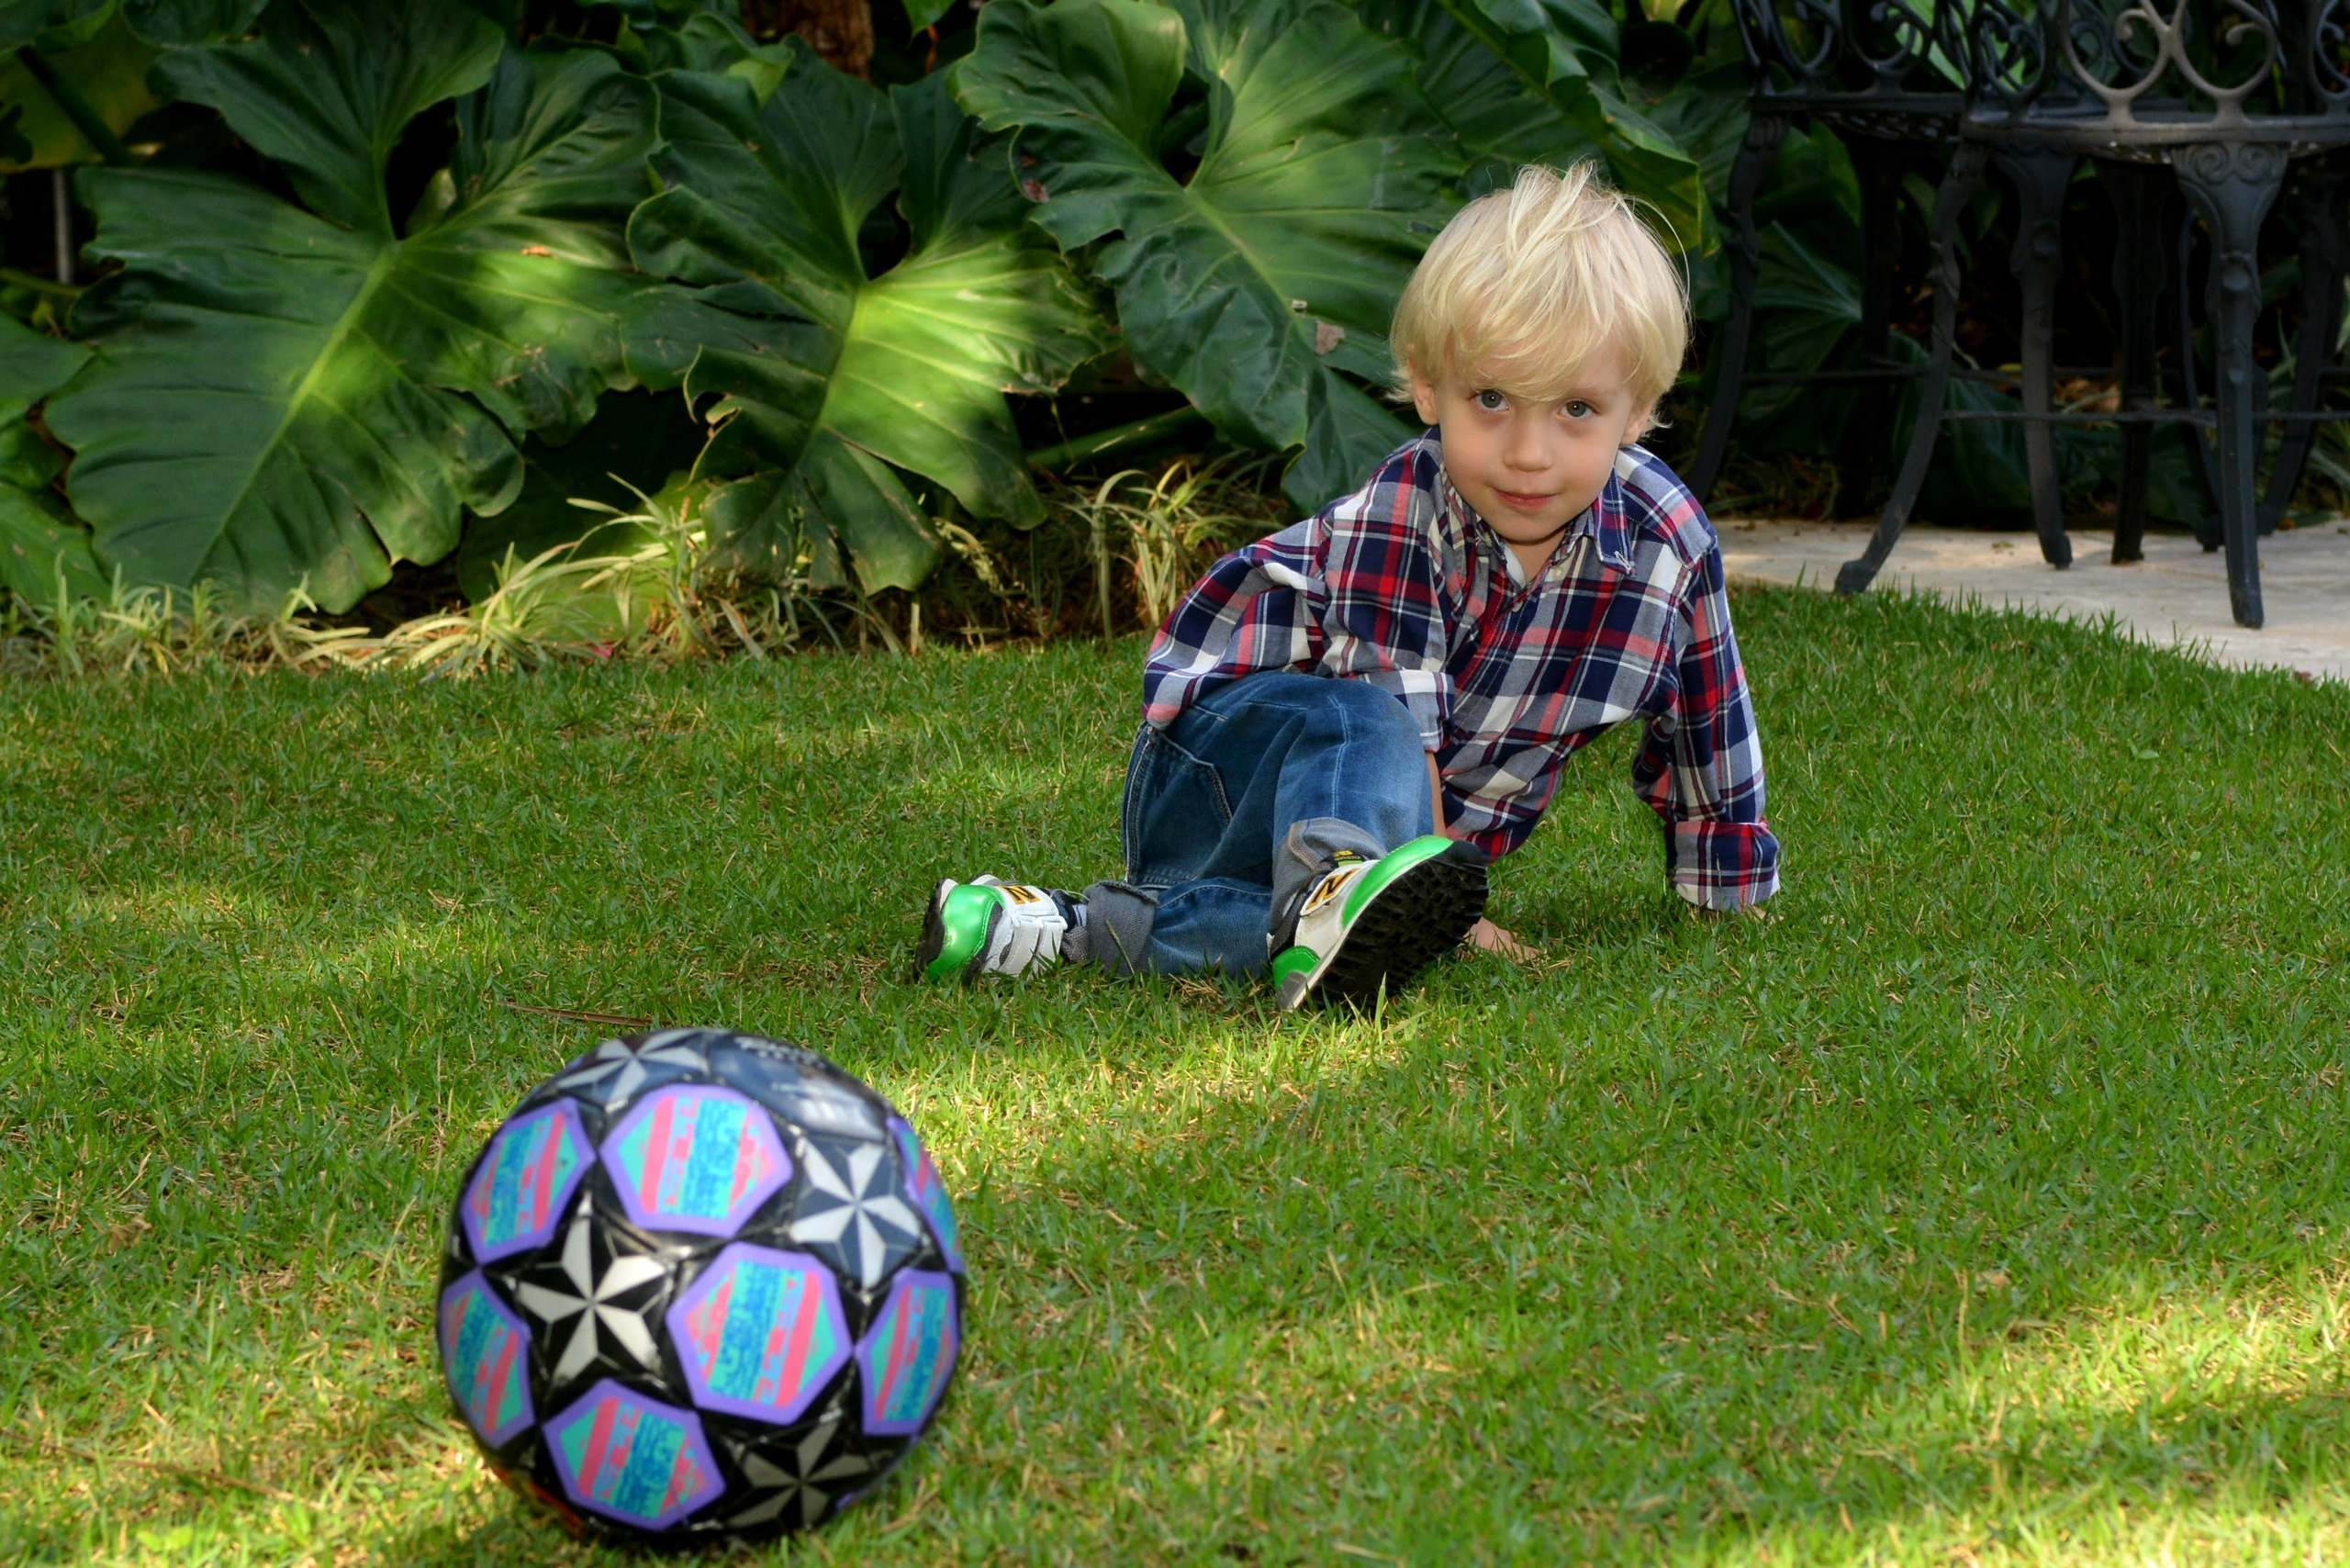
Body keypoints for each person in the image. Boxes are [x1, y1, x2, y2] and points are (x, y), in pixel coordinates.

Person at [916, 162, 1780, 1010]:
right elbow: (1399, 727)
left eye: (1577, 410)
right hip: (1220, 771)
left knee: (1321, 942)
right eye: (1491, 399)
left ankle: (1039, 928)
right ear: (1427, 383)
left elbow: (1708, 720)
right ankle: (1339, 885)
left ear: (1640, 407)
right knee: (1366, 718)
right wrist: (1456, 908)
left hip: (1336, 859)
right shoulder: (1404, 515)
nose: (1529, 452)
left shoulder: (1667, 542)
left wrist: (1726, 899)